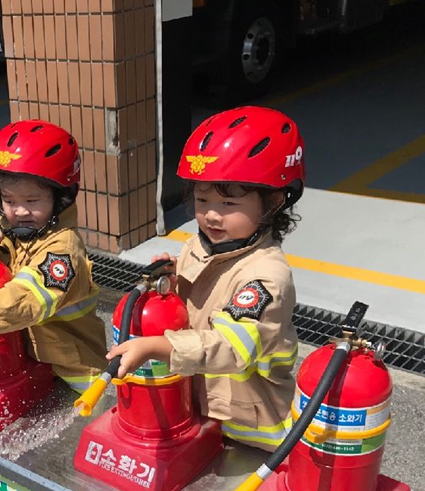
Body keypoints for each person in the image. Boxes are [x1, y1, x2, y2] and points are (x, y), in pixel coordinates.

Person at [108, 106, 305, 451]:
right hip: (197, 410)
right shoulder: (198, 246)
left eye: (229, 204)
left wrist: (155, 347)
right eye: (202, 199)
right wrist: (172, 280)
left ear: (273, 202)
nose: (212, 215)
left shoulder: (266, 277)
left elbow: (231, 346)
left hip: (248, 429)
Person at [0, 120, 107, 393]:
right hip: (29, 359)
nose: (20, 211)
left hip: (73, 371)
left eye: (32, 201)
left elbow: (28, 298)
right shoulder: (14, 227)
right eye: (9, 200)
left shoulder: (63, 250)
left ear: (61, 198)